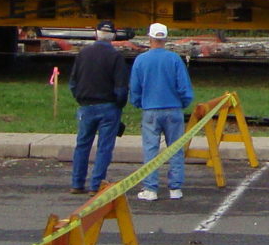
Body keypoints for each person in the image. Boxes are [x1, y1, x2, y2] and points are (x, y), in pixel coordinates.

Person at [129, 22, 194, 200]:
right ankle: (175, 188)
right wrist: (183, 102)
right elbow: (184, 87)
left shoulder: (141, 60)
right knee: (175, 149)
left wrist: (138, 103)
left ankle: (150, 189)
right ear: (165, 39)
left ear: (150, 38)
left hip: (150, 109)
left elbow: (135, 88)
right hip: (173, 109)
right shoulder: (174, 59)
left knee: (150, 149)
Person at [69, 24, 131, 194]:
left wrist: (80, 98)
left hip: (86, 105)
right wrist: (119, 104)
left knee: (82, 145)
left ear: (96, 34)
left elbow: (73, 83)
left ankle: (77, 183)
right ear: (113, 37)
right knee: (104, 147)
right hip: (108, 106)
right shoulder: (115, 57)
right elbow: (121, 88)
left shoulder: (83, 54)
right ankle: (96, 184)